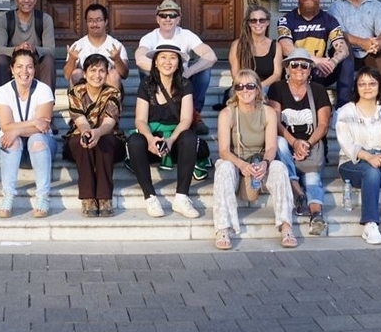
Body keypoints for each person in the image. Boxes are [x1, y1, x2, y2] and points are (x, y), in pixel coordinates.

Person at [213, 69, 297, 250]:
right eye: (239, 86)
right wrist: (241, 165)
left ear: (258, 89)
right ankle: (223, 228)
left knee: (280, 168)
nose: (245, 90)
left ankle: (286, 226)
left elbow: (272, 147)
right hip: (236, 162)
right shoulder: (227, 114)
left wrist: (265, 163)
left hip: (260, 160)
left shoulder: (268, 112)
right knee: (224, 168)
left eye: (250, 85)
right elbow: (224, 151)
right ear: (234, 91)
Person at [126, 44, 203, 219]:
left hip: (174, 143)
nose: (167, 62)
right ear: (155, 62)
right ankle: (150, 197)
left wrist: (171, 140)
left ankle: (182, 197)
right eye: (163, 57)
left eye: (173, 58)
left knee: (189, 137)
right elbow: (140, 120)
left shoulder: (185, 84)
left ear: (178, 63)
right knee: (135, 141)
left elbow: (186, 120)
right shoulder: (146, 84)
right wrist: (151, 139)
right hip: (153, 143)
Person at [335, 68, 381, 244]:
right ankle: (370, 223)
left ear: (379, 87)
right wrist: (369, 157)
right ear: (356, 87)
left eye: (372, 83)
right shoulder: (345, 111)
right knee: (372, 171)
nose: (367, 87)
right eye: (362, 84)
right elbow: (347, 145)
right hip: (353, 161)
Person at [268, 47, 332, 235]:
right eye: (293, 64)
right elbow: (275, 121)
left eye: (304, 65)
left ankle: (316, 215)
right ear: (287, 68)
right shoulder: (277, 88)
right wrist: (294, 142)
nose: (299, 68)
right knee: (279, 142)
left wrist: (307, 144)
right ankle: (298, 191)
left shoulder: (318, 90)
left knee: (313, 178)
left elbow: (323, 125)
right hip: (286, 147)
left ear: (310, 69)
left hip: (310, 145)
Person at [135, 0, 217, 133]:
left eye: (172, 15)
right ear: (157, 19)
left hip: (182, 79)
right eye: (163, 15)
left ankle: (194, 114)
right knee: (144, 69)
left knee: (204, 71)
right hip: (158, 81)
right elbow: (139, 58)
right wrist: (164, 70)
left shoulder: (186, 35)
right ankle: (150, 112)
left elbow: (211, 56)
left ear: (178, 19)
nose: (167, 19)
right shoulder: (149, 38)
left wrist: (188, 72)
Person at [0, 48, 56, 218]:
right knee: (13, 141)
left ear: (34, 70)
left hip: (40, 147)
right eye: (19, 67)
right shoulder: (3, 91)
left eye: (29, 67)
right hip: (11, 148)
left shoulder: (43, 90)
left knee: (37, 139)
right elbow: (5, 126)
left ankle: (43, 197)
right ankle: (8, 197)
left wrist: (18, 129)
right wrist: (32, 122)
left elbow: (42, 126)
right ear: (12, 69)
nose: (24, 72)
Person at [277, 0, 353, 108]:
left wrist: (333, 62)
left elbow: (342, 48)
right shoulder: (286, 20)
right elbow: (286, 48)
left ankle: (342, 109)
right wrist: (315, 61)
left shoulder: (329, 19)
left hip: (320, 71)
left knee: (346, 58)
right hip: (297, 70)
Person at [64, 54, 125, 217]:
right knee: (83, 141)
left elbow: (109, 122)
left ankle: (104, 197)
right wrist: (86, 131)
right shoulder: (76, 92)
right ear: (84, 74)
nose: (97, 75)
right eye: (92, 70)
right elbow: (79, 119)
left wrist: (97, 132)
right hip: (80, 136)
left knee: (104, 142)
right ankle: (88, 197)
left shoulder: (113, 92)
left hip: (109, 138)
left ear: (107, 74)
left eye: (101, 71)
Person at [216, 0, 282, 110]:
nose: (258, 23)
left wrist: (258, 87)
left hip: (265, 87)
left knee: (265, 95)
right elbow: (235, 74)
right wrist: (249, 87)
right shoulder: (238, 45)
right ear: (249, 23)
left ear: (267, 22)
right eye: (253, 20)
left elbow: (277, 75)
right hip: (242, 86)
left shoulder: (276, 46)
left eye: (261, 20)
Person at [0, 0, 56, 90]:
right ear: (16, 0)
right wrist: (17, 49)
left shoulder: (44, 19)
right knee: (1, 60)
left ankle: (48, 100)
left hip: (34, 64)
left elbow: (51, 50)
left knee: (48, 59)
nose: (26, 0)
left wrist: (34, 49)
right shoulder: (6, 19)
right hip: (14, 65)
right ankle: (1, 101)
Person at [63, 3, 130, 90]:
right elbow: (67, 76)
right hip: (85, 91)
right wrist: (72, 60)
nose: (94, 24)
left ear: (105, 22)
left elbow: (124, 75)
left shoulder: (116, 45)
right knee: (76, 73)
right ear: (86, 23)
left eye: (98, 20)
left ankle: (111, 103)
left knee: (114, 74)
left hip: (107, 91)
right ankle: (79, 103)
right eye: (90, 20)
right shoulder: (77, 46)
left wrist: (117, 60)